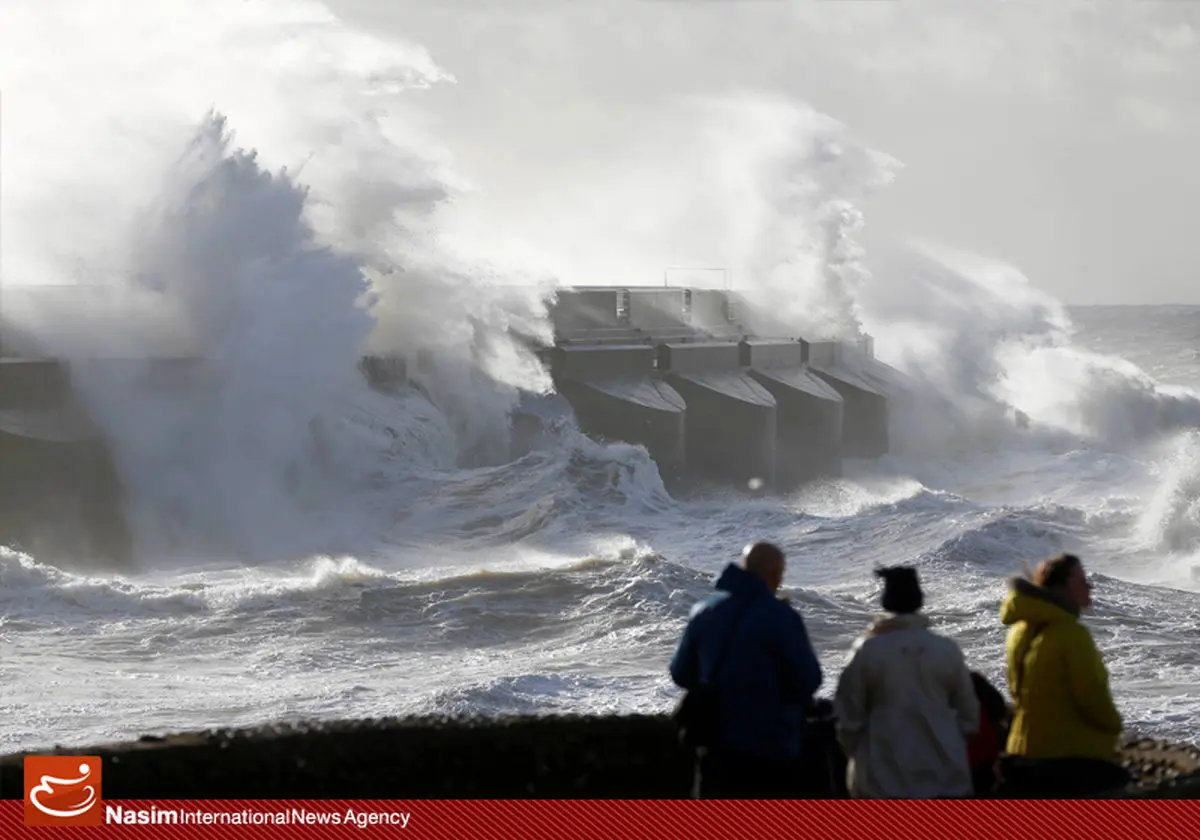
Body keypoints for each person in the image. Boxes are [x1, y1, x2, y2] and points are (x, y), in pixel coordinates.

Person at [669, 541, 824, 798]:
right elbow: (808, 680)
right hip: (772, 747)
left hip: (716, 746)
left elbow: (680, 673)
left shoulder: (704, 612)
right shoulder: (782, 617)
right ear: (775, 576)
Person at [833, 566, 980, 798]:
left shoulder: (868, 651)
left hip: (882, 780)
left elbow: (848, 717)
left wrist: (860, 756)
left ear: (885, 600)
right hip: (945, 778)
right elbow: (970, 717)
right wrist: (949, 743)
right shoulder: (945, 649)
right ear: (919, 599)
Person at [995, 553, 1130, 797]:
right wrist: (1115, 727)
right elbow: (1092, 698)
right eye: (1082, 580)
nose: (1090, 586)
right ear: (1062, 586)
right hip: (1065, 759)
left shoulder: (1019, 631)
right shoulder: (1071, 635)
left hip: (1021, 749)